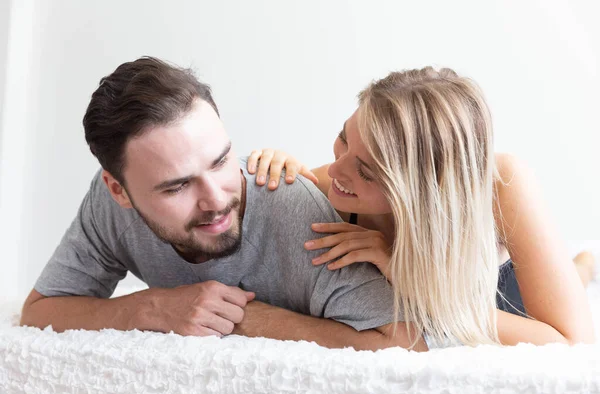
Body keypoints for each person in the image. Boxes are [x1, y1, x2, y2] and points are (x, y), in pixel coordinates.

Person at [19, 56, 428, 351]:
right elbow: (39, 311)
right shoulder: (107, 207)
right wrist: (151, 307)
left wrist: (245, 318)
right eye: (176, 187)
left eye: (220, 161)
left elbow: (404, 343)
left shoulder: (300, 218)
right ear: (118, 189)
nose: (216, 201)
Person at [248, 67, 596, 347]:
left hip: (493, 290)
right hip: (449, 292)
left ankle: (582, 266)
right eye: (343, 138)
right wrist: (277, 168)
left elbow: (569, 343)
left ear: (425, 192)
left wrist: (411, 281)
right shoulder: (331, 185)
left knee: (566, 285)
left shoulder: (501, 184)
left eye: (366, 172)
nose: (336, 169)